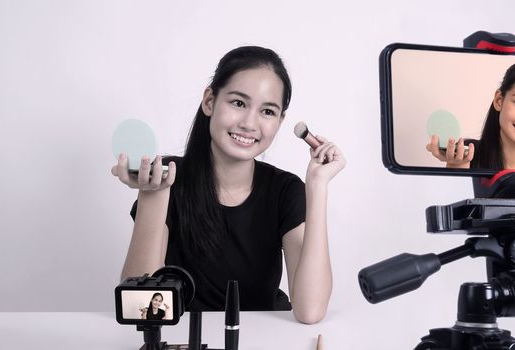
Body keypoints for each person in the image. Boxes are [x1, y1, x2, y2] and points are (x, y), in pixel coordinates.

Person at [111, 46, 346, 324]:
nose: (249, 123)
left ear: (280, 120)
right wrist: (153, 194)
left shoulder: (285, 190)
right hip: (185, 336)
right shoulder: (168, 177)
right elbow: (141, 308)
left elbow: (310, 311)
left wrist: (317, 186)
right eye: (238, 103)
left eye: (268, 111)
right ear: (210, 101)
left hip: (264, 338)